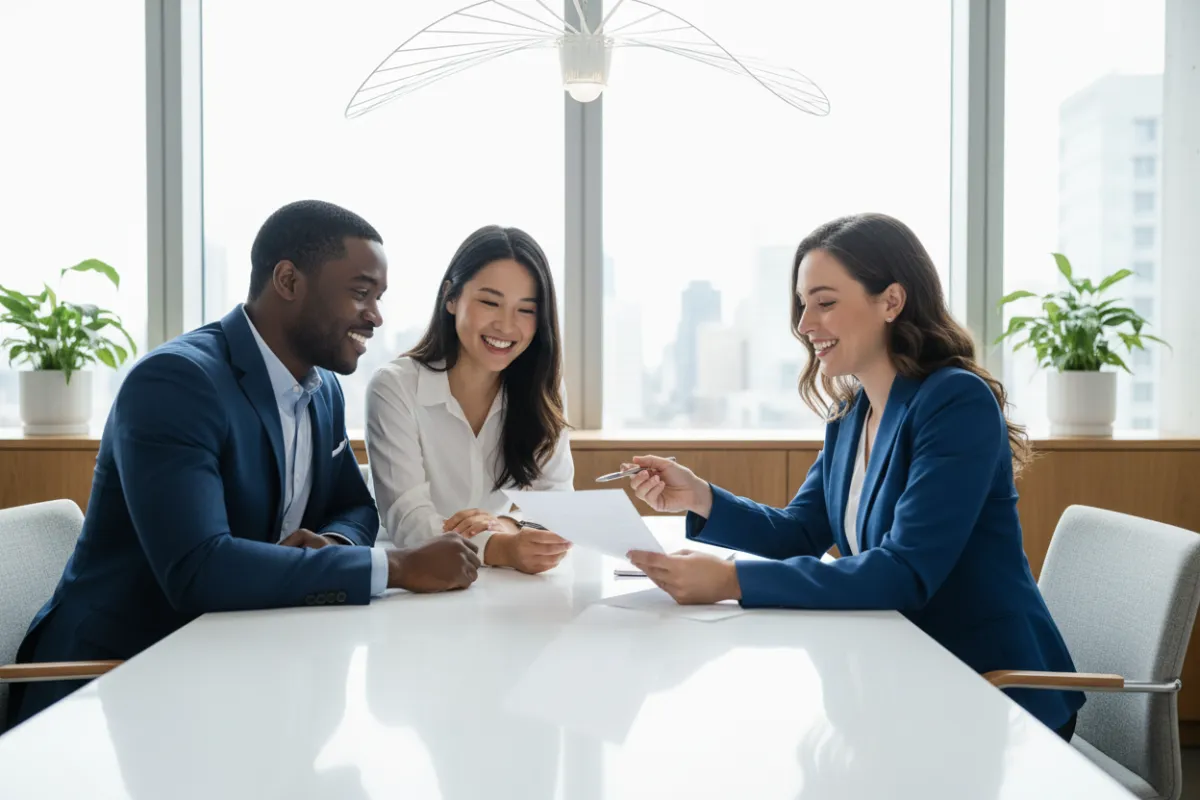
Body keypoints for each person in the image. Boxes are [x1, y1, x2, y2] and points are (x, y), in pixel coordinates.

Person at [5, 200, 480, 732]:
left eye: (378, 297)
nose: (375, 315)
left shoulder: (321, 391)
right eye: (360, 291)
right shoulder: (176, 384)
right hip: (115, 684)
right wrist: (396, 568)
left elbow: (353, 504)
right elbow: (199, 570)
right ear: (287, 280)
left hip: (233, 663)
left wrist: (338, 545)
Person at [625, 213, 1085, 740]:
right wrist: (701, 497)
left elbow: (905, 573)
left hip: (989, 691)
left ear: (891, 301)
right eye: (802, 304)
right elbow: (799, 532)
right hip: (905, 676)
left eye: (825, 302)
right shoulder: (850, 416)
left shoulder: (956, 403)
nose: (804, 324)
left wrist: (731, 582)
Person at [366, 225, 574, 574]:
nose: (506, 327)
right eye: (490, 302)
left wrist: (511, 527)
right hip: (413, 579)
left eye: (526, 310)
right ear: (451, 297)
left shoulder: (543, 388)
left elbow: (558, 507)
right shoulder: (395, 387)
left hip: (502, 588)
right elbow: (409, 522)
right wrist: (501, 547)